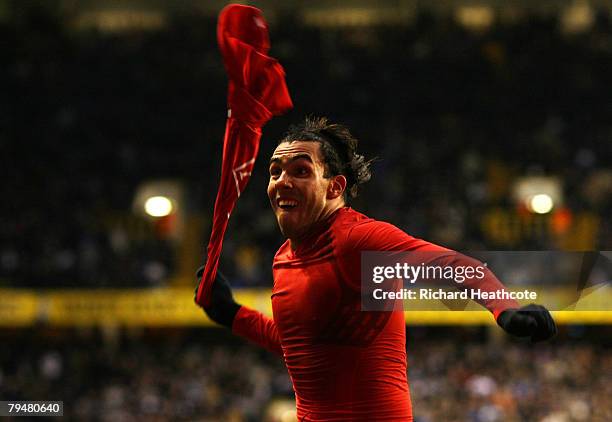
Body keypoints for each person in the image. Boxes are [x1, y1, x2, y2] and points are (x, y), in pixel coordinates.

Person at [196, 116, 557, 421]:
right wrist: (233, 315)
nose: (282, 182)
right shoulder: (283, 257)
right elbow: (303, 347)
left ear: (335, 186)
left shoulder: (360, 240)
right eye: (275, 172)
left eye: (300, 171)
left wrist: (505, 308)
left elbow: (452, 266)